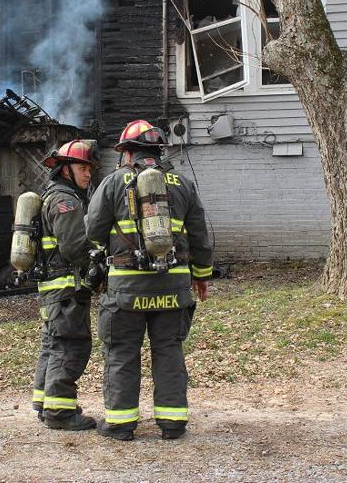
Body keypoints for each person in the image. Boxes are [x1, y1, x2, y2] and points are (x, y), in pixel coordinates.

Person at [85, 119, 213, 441]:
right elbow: (199, 235)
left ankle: (121, 424)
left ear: (127, 153)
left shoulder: (114, 182)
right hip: (174, 286)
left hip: (126, 290)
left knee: (121, 353)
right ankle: (173, 423)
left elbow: (93, 231)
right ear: (160, 151)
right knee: (169, 352)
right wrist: (201, 276)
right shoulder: (182, 184)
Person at [30, 139, 100, 431]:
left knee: (53, 345)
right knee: (71, 346)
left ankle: (45, 403)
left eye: (89, 169)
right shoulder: (66, 201)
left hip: (53, 290)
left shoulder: (53, 195)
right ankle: (60, 412)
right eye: (83, 168)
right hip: (67, 289)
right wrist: (98, 263)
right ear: (66, 170)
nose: (88, 174)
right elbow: (74, 248)